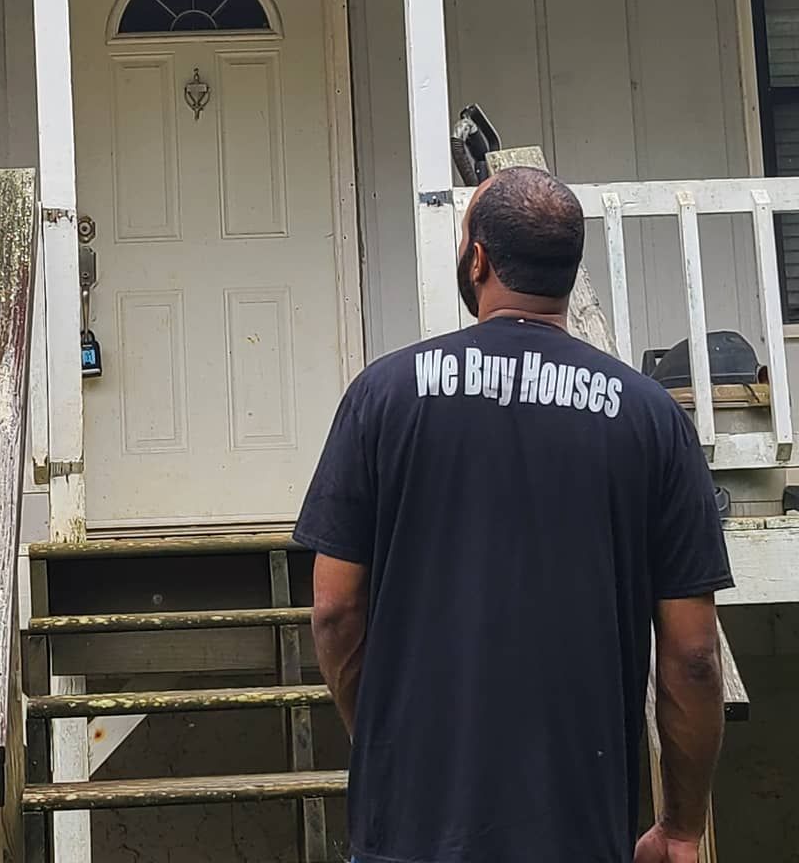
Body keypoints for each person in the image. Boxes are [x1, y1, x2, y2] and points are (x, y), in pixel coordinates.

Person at [294, 167, 732, 863]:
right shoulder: (651, 420)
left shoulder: (381, 397)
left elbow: (335, 612)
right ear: (568, 267)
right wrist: (680, 827)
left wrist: (384, 740)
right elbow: (693, 656)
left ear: (478, 258)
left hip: (409, 832)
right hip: (577, 835)